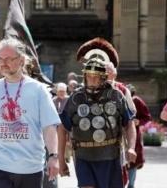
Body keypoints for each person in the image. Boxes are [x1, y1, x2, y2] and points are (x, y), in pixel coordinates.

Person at [0, 38, 60, 188]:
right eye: (0, 59)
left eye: (9, 59)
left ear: (22, 60)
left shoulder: (39, 91)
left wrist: (54, 156)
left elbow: (49, 127)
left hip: (30, 168)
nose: (3, 63)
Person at [58, 39, 137, 188]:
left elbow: (129, 123)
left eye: (95, 77)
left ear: (103, 77)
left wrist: (131, 147)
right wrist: (61, 160)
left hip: (110, 157)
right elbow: (62, 128)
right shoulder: (76, 98)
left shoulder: (116, 96)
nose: (92, 80)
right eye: (89, 76)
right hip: (84, 157)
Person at [126, 84, 152, 188]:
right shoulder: (117, 99)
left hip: (133, 135)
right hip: (119, 136)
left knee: (133, 161)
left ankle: (131, 185)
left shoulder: (136, 101)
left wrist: (138, 121)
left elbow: (147, 117)